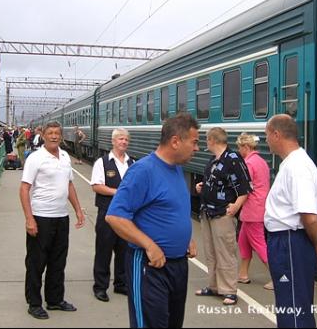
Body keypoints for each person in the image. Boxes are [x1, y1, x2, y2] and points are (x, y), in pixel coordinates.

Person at [105, 113, 199, 328]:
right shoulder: (143, 170)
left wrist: (187, 237)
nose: (197, 148)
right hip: (150, 266)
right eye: (194, 142)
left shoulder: (177, 169)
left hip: (178, 265)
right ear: (175, 141)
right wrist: (149, 245)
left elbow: (173, 209)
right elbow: (115, 216)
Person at [264, 114, 317, 328]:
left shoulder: (297, 167)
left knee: (293, 308)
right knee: (291, 304)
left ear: (276, 134)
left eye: (267, 135)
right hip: (287, 242)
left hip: (289, 243)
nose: (266, 140)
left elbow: (309, 216)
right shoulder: (293, 163)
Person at [19, 122, 86, 320]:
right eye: (50, 133)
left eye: (57, 133)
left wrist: (78, 210)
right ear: (44, 135)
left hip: (61, 217)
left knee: (58, 261)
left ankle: (55, 300)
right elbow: (24, 189)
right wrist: (29, 219)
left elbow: (69, 185)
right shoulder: (36, 158)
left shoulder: (65, 156)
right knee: (36, 262)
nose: (54, 136)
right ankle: (34, 303)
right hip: (41, 217)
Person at [195, 127, 252, 306]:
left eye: (206, 139)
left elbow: (245, 187)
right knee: (211, 252)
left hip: (222, 213)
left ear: (212, 140)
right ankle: (213, 286)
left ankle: (229, 290)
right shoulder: (214, 160)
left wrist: (235, 207)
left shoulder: (233, 160)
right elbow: (218, 183)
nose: (205, 142)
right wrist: (202, 187)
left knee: (225, 252)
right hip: (208, 211)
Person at [90, 128, 134, 302]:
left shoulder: (132, 163)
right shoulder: (102, 162)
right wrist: (118, 192)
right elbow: (96, 186)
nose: (124, 142)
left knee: (124, 251)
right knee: (104, 250)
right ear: (113, 141)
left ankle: (121, 284)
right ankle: (100, 287)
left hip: (126, 216)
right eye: (121, 139)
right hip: (107, 213)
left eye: (126, 140)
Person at [236, 133, 273, 290]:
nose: (239, 151)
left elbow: (243, 187)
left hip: (252, 209)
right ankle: (242, 274)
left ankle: (278, 278)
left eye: (239, 147)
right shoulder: (261, 161)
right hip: (259, 206)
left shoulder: (248, 164)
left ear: (246, 147)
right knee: (243, 241)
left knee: (259, 244)